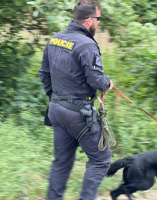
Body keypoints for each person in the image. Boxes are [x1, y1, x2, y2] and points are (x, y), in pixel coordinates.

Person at [38, 0, 113, 199]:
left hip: (56, 109)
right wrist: (108, 83)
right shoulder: (87, 44)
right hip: (79, 113)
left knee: (61, 162)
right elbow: (96, 80)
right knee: (101, 160)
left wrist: (56, 99)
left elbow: (44, 73)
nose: (99, 23)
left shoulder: (55, 39)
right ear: (89, 20)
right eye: (98, 19)